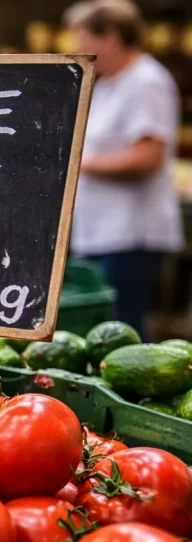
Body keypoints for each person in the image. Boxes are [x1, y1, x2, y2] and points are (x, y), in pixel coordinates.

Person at [66, 0, 183, 339]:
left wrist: (78, 166)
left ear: (111, 37)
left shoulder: (146, 82)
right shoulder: (107, 83)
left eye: (83, 38)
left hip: (130, 233)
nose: (77, 48)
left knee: (122, 330)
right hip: (100, 230)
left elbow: (148, 157)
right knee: (104, 329)